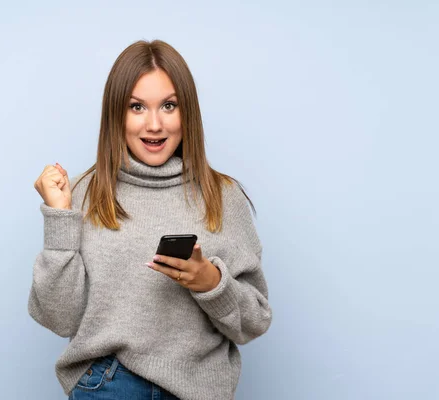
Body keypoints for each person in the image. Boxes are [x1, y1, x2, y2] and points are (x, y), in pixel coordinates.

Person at [29, 39, 272, 400]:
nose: (154, 124)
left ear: (186, 112)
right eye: (137, 107)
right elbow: (58, 318)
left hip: (200, 389)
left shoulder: (223, 196)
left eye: (169, 106)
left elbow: (254, 322)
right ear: (116, 114)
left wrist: (211, 281)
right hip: (108, 385)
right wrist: (59, 219)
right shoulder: (82, 193)